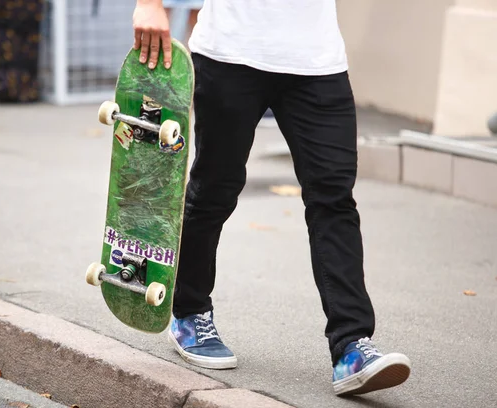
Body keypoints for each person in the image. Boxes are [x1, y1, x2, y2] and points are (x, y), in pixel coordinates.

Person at [131, 0, 412, 396]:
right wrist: (149, 5)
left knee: (334, 197)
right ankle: (189, 312)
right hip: (231, 51)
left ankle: (351, 347)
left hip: (316, 61)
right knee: (215, 188)